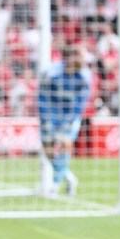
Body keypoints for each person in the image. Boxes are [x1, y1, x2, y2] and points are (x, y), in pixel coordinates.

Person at [37, 43, 92, 197]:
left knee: (66, 143)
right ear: (72, 57)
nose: (85, 62)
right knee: (48, 150)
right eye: (83, 58)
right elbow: (42, 97)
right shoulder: (51, 73)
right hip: (50, 115)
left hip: (69, 117)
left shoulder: (85, 76)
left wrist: (67, 121)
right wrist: (46, 117)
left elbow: (80, 103)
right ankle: (69, 177)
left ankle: (55, 185)